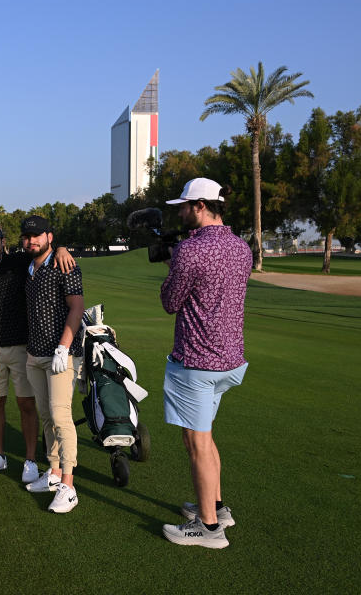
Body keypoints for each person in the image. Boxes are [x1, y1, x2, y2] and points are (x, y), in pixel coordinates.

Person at [159, 178, 251, 549]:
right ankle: (214, 505)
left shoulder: (190, 250)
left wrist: (171, 266)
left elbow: (170, 301)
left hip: (196, 361)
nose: (180, 212)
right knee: (205, 436)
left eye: (183, 206)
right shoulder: (241, 247)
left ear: (200, 205)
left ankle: (209, 529)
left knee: (196, 442)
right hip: (229, 360)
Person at [0, 222, 76, 480]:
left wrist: (61, 247)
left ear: (2, 241)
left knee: (27, 404)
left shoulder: (18, 262)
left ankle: (30, 460)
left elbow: (42, 249)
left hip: (22, 346)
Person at [21, 215, 84, 514]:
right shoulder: (29, 269)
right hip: (34, 355)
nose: (31, 240)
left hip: (60, 355)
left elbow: (76, 307)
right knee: (46, 416)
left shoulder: (64, 264)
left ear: (49, 236)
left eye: (37, 236)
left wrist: (64, 346)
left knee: (61, 416)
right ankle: (55, 472)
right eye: (27, 236)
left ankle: (69, 486)